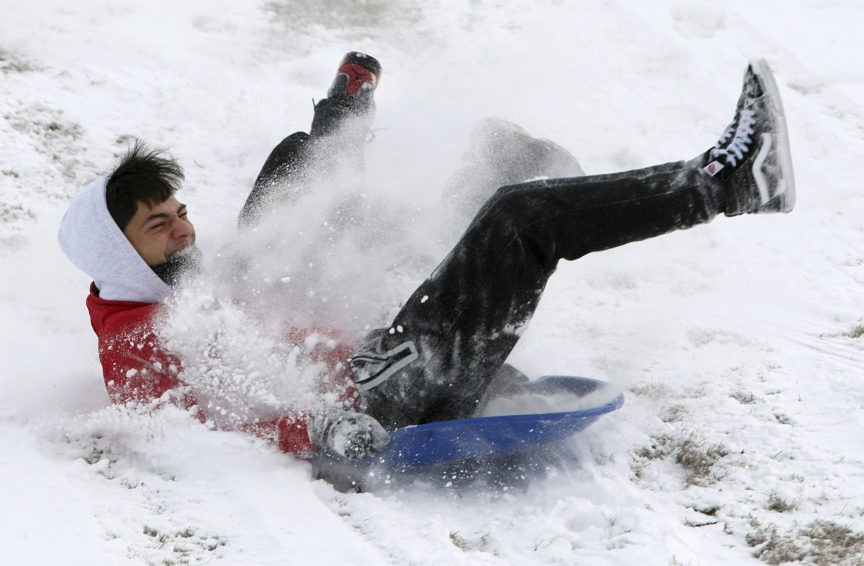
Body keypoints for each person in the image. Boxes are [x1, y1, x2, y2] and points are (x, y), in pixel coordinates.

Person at [58, 52, 795, 461]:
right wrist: (317, 427)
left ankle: (437, 147)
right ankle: (732, 182)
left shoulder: (182, 287)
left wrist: (337, 127)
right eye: (160, 224)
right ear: (118, 251)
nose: (184, 229)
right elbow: (198, 416)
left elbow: (274, 225)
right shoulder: (138, 337)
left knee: (309, 181)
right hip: (374, 395)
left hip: (377, 359)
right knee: (516, 220)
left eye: (181, 212)